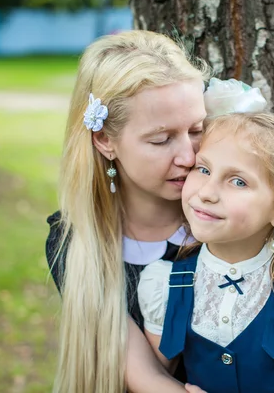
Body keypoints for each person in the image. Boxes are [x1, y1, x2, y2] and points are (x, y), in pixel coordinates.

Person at [138, 79, 274, 392]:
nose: (208, 192)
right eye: (203, 169)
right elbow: (152, 379)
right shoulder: (166, 283)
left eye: (238, 182)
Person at [45, 30, 211, 392]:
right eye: (161, 139)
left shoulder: (222, 223)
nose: (189, 156)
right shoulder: (79, 241)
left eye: (197, 129)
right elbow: (144, 377)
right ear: (105, 139)